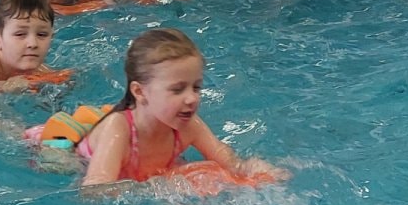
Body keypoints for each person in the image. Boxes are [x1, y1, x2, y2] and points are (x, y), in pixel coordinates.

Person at [78, 29, 271, 186]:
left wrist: (250, 168)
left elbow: (226, 158)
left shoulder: (189, 125)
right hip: (78, 162)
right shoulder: (118, 129)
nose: (192, 98)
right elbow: (95, 190)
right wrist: (160, 188)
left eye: (196, 87)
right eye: (177, 90)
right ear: (140, 92)